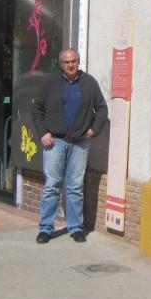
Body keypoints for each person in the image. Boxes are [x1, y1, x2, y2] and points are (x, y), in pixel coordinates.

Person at [31, 48, 107, 244]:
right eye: (66, 62)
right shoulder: (50, 82)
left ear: (78, 62)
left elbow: (101, 108)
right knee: (52, 186)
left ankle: (75, 227)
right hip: (54, 142)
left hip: (79, 142)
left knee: (75, 187)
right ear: (61, 64)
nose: (70, 65)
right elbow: (37, 108)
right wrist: (43, 133)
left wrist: (93, 130)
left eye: (73, 61)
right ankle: (46, 228)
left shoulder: (89, 82)